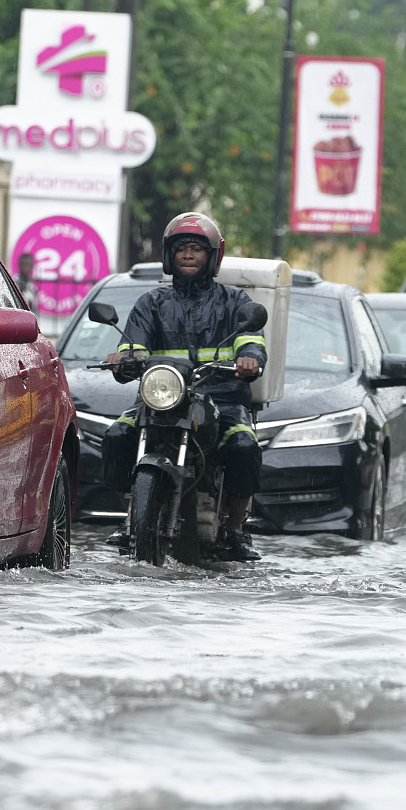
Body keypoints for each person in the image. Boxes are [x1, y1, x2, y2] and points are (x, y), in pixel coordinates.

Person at [99, 212, 268, 561]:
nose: (188, 255)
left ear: (212, 256)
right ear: (169, 255)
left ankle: (236, 529)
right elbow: (134, 346)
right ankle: (131, 515)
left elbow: (252, 342)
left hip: (223, 400)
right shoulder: (152, 303)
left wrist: (250, 359)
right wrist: (122, 358)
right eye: (181, 249)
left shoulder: (235, 302)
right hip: (162, 398)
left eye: (196, 249)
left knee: (243, 446)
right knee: (116, 437)